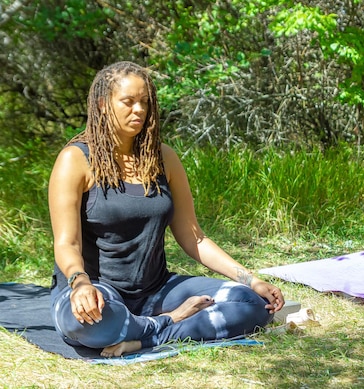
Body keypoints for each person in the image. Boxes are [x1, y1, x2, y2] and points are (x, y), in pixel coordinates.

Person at [48, 61, 284, 357]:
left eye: (145, 102)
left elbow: (194, 237)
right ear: (102, 104)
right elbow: (66, 243)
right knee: (93, 327)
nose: (139, 110)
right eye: (128, 102)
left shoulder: (163, 158)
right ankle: (171, 321)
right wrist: (79, 283)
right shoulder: (75, 159)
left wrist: (250, 278)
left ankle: (145, 336)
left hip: (156, 290)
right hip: (95, 292)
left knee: (250, 305)